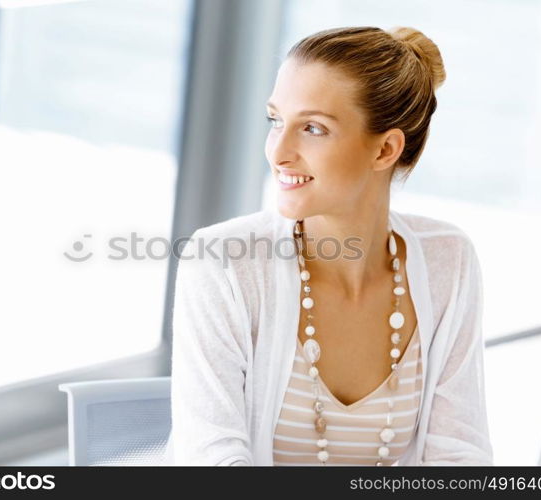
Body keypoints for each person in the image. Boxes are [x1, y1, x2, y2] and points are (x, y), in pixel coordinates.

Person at [163, 26, 494, 466]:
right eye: (275, 120)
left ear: (385, 150)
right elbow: (211, 461)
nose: (278, 151)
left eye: (313, 128)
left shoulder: (447, 260)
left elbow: (460, 455)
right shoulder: (222, 263)